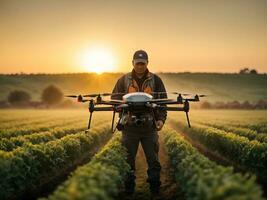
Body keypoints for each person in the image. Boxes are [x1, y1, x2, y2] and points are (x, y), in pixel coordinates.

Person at [111, 50, 167, 196]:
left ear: (147, 63)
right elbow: (114, 100)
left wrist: (160, 120)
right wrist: (121, 110)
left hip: (150, 127)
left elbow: (163, 103)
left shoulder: (156, 80)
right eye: (138, 63)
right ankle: (129, 189)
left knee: (153, 160)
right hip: (129, 128)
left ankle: (155, 188)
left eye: (143, 63)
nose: (140, 66)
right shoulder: (123, 80)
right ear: (133, 63)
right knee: (128, 160)